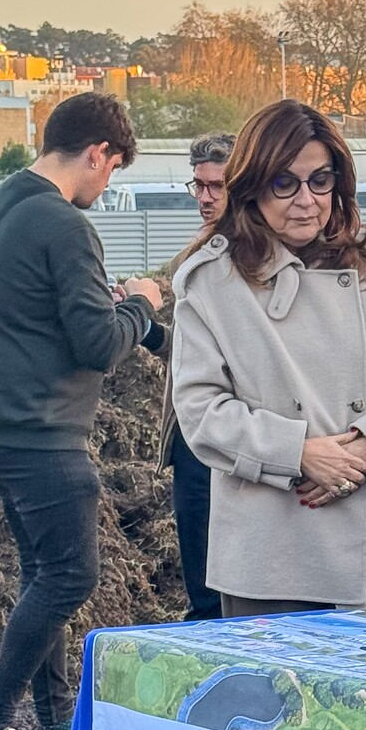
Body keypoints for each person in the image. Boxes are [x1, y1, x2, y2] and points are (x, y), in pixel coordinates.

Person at [0, 92, 164, 730]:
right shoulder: (64, 225)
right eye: (113, 171)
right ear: (98, 153)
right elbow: (98, 344)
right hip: (38, 427)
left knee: (44, 573)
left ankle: (56, 723)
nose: (108, 186)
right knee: (72, 576)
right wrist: (144, 304)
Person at [170, 99, 366, 616]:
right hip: (270, 548)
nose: (306, 200)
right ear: (253, 184)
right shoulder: (212, 282)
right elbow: (201, 411)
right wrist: (299, 454)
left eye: (320, 180)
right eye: (285, 183)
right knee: (274, 697)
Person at [155, 131, 234, 620]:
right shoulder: (193, 254)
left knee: (225, 592)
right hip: (191, 430)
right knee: (202, 581)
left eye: (216, 186)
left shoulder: (251, 256)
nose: (204, 197)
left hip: (237, 436)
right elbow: (178, 343)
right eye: (198, 185)